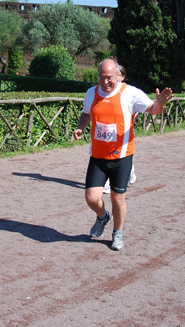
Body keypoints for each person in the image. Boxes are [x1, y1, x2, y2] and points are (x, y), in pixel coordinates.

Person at [73, 59, 173, 251]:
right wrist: (80, 128)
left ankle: (117, 232)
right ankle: (103, 217)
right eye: (101, 77)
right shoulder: (91, 93)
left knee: (117, 198)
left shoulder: (130, 93)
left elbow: (153, 109)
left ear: (118, 75)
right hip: (98, 156)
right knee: (91, 198)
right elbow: (86, 113)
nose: (105, 82)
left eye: (109, 77)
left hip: (122, 157)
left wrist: (160, 104)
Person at [103, 64, 136, 194]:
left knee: (117, 158)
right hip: (106, 133)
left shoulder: (128, 92)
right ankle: (106, 182)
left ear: (122, 77)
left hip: (121, 133)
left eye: (118, 74)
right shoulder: (104, 91)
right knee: (105, 156)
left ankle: (128, 171)